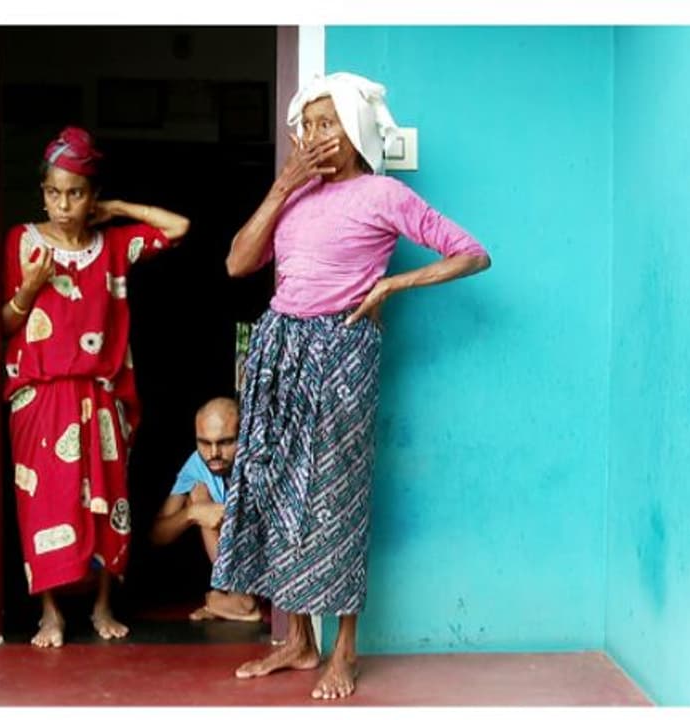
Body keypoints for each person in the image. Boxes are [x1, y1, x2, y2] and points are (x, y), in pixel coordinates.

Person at [211, 72, 492, 700]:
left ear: (354, 131)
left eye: (326, 123)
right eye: (306, 125)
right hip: (278, 351)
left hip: (340, 353)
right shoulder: (294, 195)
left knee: (335, 497)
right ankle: (299, 641)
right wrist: (283, 184)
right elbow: (236, 262)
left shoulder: (383, 195)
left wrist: (393, 285)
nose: (313, 135)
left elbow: (472, 254)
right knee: (277, 487)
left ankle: (345, 650)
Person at [1, 126, 190, 648]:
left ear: (93, 195)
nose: (63, 205)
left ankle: (104, 605)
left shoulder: (113, 247)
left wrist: (120, 208)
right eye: (54, 193)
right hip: (41, 395)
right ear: (42, 193)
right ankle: (50, 612)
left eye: (76, 193)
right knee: (46, 504)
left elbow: (179, 227)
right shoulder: (22, 243)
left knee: (108, 501)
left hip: (102, 396)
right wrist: (29, 291)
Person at [149, 397, 260, 621]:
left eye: (226, 442)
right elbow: (157, 535)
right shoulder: (198, 464)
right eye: (204, 443)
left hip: (266, 565)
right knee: (197, 499)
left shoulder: (257, 459)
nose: (213, 453)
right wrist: (195, 512)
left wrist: (221, 511)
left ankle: (239, 603)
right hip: (234, 570)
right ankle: (235, 600)